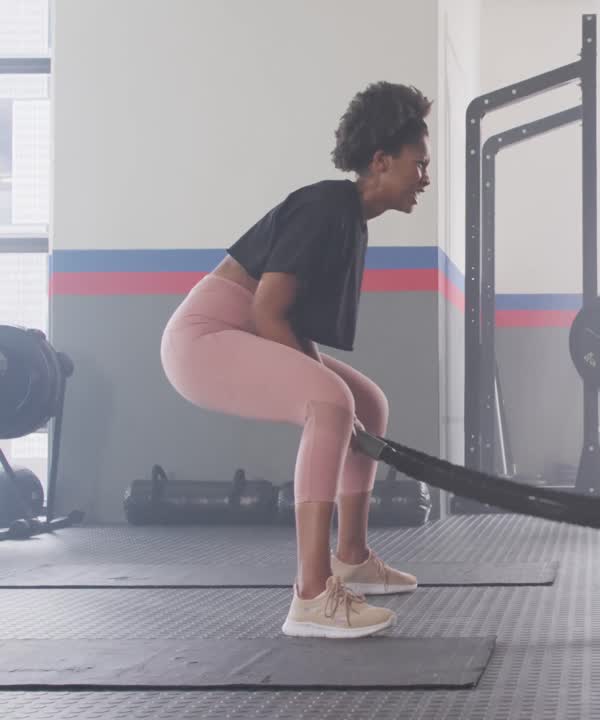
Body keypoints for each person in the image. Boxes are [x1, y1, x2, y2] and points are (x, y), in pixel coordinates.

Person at [160, 82, 433, 639]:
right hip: (204, 339)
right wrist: (327, 399)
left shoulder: (350, 220)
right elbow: (266, 311)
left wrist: (333, 396)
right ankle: (311, 596)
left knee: (365, 402)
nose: (425, 177)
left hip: (245, 330)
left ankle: (351, 555)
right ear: (381, 162)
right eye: (418, 164)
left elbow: (289, 327)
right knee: (331, 403)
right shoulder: (325, 206)